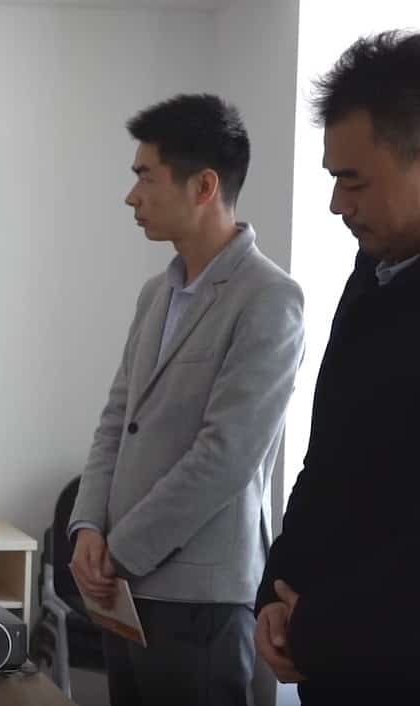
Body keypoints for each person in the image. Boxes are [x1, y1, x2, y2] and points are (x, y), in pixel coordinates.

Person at [255, 31, 420, 703]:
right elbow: (328, 458)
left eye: (353, 180)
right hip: (334, 663)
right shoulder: (376, 270)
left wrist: (319, 627)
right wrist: (276, 593)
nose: (336, 204)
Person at [67, 94, 304, 706]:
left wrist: (120, 550)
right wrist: (88, 527)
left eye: (146, 177)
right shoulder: (157, 293)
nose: (132, 196)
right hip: (122, 589)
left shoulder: (268, 297)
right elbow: (116, 422)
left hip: (199, 596)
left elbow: (226, 456)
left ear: (203, 186)